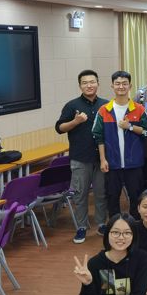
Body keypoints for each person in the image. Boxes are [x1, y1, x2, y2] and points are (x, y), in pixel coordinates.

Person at [92, 71, 147, 218]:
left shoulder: (138, 109)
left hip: (134, 164)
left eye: (124, 83)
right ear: (112, 86)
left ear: (130, 86)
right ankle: (115, 227)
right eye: (118, 83)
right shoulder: (104, 110)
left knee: (136, 197)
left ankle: (137, 227)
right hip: (112, 164)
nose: (121, 86)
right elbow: (98, 136)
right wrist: (103, 159)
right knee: (112, 198)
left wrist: (131, 127)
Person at [56, 69, 108, 243]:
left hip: (102, 158)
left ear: (98, 83)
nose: (89, 85)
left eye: (92, 82)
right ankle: (81, 227)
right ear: (80, 86)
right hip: (80, 158)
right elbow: (59, 128)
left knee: (101, 193)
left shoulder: (106, 105)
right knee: (80, 194)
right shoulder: (72, 105)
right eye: (85, 82)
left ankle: (101, 224)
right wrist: (75, 122)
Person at [74, 213, 147, 295]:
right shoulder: (95, 263)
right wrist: (87, 284)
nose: (121, 237)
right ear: (107, 234)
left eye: (127, 233)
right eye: (115, 232)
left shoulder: (141, 258)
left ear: (134, 236)